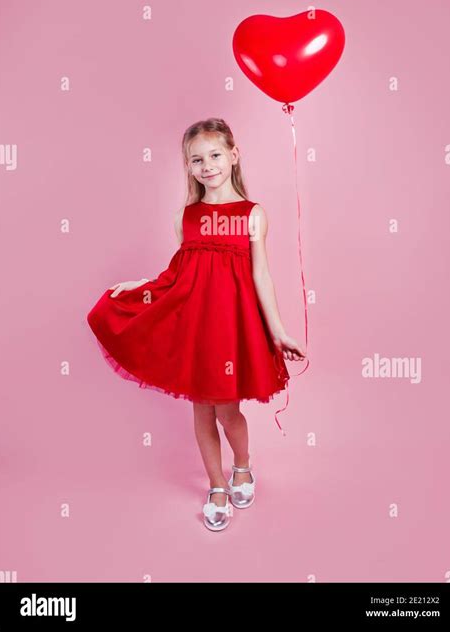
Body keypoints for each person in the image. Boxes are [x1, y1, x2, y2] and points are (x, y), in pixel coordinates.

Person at [86, 117, 307, 532]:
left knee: (228, 412)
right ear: (188, 166)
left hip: (232, 328)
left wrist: (276, 329)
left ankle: (242, 464)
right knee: (201, 412)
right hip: (197, 328)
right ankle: (217, 484)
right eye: (196, 159)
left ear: (233, 156)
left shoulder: (253, 214)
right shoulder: (184, 218)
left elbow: (261, 274)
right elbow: (178, 276)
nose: (207, 166)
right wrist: (140, 287)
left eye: (215, 155)